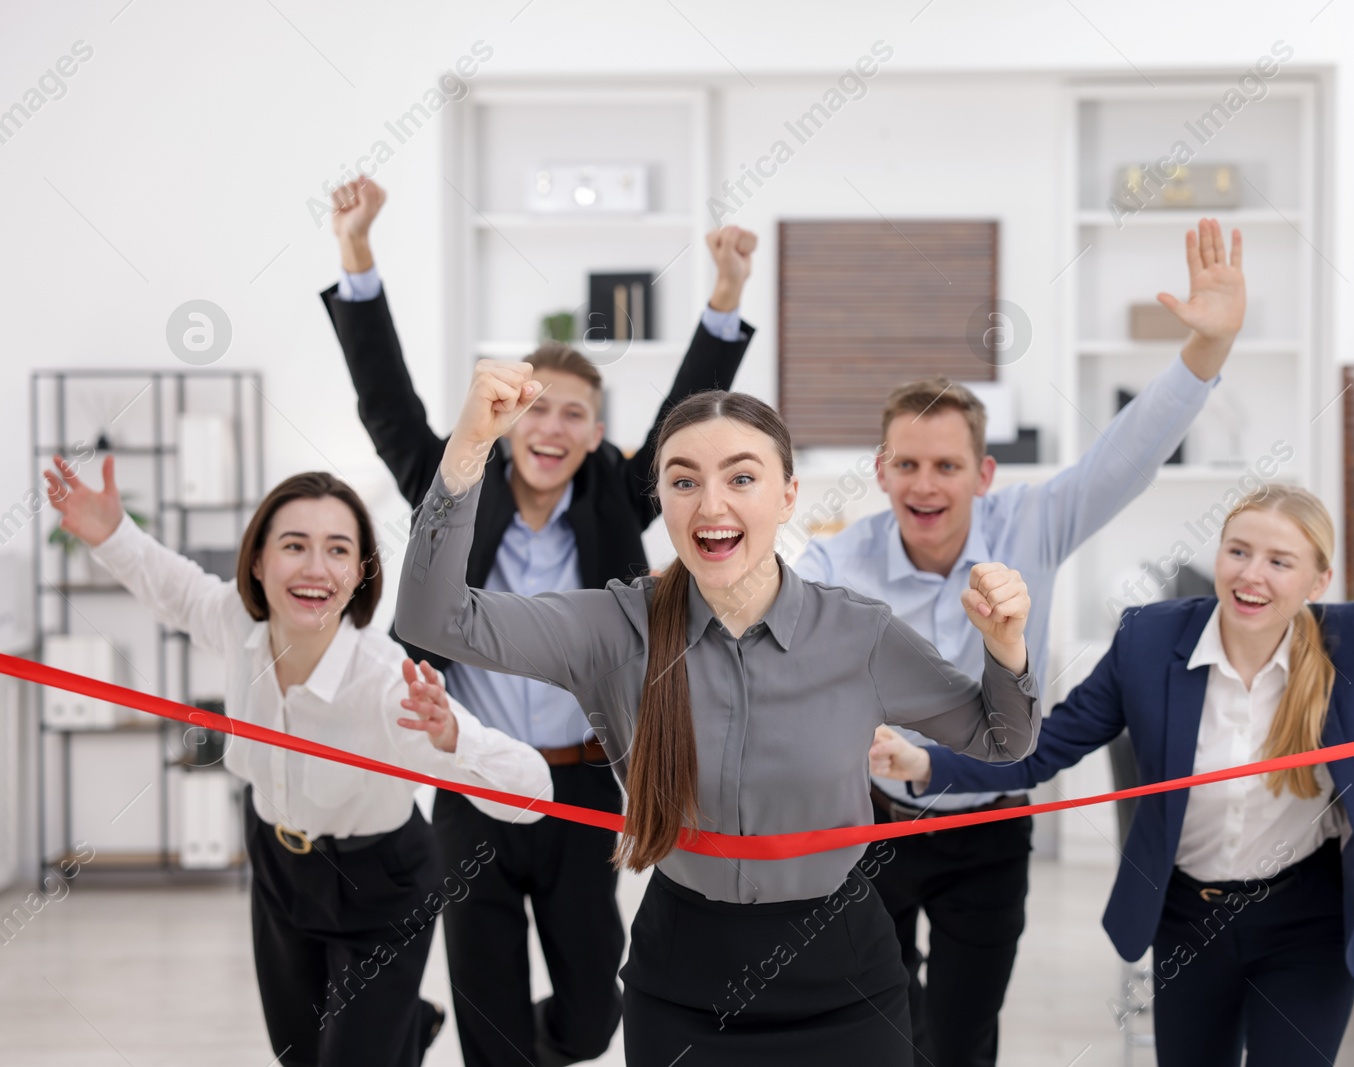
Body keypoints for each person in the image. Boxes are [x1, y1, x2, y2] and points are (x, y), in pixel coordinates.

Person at [393, 364, 1042, 1065]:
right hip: (683, 979)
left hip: (846, 978)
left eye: (741, 478)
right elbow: (433, 619)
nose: (711, 505)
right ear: (662, 499)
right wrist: (468, 447)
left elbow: (1003, 737)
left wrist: (1006, 646)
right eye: (683, 480)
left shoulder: (861, 634)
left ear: (788, 494)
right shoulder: (615, 629)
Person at [871, 483, 1354, 1066]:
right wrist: (930, 762)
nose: (1251, 574)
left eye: (1279, 560)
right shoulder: (1149, 639)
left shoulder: (1344, 642)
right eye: (1238, 551)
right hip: (1191, 918)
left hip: (1309, 920)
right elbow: (1048, 742)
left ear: (1317, 579)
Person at [320, 176, 756, 1065]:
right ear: (506, 417)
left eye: (574, 415)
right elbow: (385, 402)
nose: (551, 429)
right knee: (489, 1016)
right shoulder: (456, 480)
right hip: (473, 782)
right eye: (535, 409)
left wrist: (725, 295)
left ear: (600, 435)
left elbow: (691, 401)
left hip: (584, 786)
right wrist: (357, 251)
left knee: (597, 1012)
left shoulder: (613, 497)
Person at [793, 217, 1246, 1066]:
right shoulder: (835, 558)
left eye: (947, 466)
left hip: (987, 827)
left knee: (963, 1041)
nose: (926, 485)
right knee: (878, 1036)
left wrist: (1205, 349)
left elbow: (1128, 456)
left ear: (983, 474)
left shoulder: (1031, 521)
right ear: (882, 469)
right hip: (868, 827)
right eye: (908, 465)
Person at [44, 456, 555, 1067]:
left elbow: (535, 793)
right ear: (258, 563)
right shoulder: (240, 628)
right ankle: (405, 1028)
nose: (316, 568)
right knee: (300, 1056)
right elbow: (175, 589)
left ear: (361, 573)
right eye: (294, 545)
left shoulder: (391, 685)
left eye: (339, 550)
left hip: (380, 886)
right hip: (278, 869)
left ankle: (393, 1028)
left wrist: (453, 740)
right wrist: (111, 531)